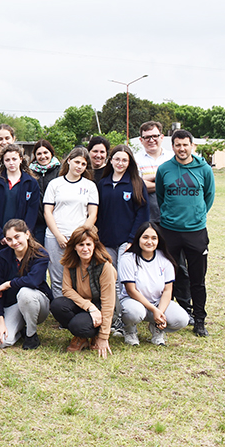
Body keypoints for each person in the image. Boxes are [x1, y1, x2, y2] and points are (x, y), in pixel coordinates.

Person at [155, 129, 215, 337]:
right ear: (172, 147)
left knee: (198, 279)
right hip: (170, 231)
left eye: (185, 145)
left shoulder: (204, 168)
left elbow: (209, 196)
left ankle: (199, 320)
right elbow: (161, 198)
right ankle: (167, 317)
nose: (182, 148)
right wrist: (172, 217)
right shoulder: (164, 169)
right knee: (170, 276)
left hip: (196, 232)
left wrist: (196, 216)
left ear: (192, 146)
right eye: (178, 145)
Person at [95, 144, 149, 336]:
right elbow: (97, 214)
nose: (120, 163)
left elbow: (142, 214)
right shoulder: (103, 184)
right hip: (105, 242)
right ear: (111, 161)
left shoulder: (136, 183)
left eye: (124, 160)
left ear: (130, 162)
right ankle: (114, 319)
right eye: (117, 159)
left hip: (127, 243)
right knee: (110, 281)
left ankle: (128, 321)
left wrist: (131, 240)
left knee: (125, 283)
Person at [49, 226, 116, 358]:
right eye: (80, 245)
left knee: (78, 325)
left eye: (88, 244)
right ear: (74, 247)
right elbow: (67, 290)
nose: (85, 249)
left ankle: (94, 334)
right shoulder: (71, 262)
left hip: (102, 306)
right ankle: (81, 338)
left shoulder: (104, 266)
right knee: (57, 305)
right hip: (85, 305)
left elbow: (108, 303)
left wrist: (104, 336)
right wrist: (90, 307)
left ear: (94, 246)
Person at [119, 222, 189, 346]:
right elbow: (131, 290)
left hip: (157, 302)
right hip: (133, 301)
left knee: (182, 319)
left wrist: (159, 312)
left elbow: (167, 291)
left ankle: (157, 328)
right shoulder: (128, 258)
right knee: (134, 313)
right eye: (145, 237)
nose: (149, 242)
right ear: (138, 238)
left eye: (154, 238)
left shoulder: (165, 259)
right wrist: (154, 310)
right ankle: (129, 331)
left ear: (159, 241)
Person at [43, 147, 99, 299]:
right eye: (77, 162)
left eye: (83, 164)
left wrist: (80, 236)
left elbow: (92, 214)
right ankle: (60, 308)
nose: (79, 166)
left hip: (79, 238)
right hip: (55, 237)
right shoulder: (55, 184)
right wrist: (59, 236)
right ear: (69, 161)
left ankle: (77, 306)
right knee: (57, 276)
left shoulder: (90, 186)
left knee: (79, 274)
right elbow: (48, 212)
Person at [0, 219, 52, 350]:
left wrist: (9, 284)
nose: (14, 242)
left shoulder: (41, 254)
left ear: (27, 234)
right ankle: (19, 330)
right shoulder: (1, 257)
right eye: (9, 239)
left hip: (37, 303)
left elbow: (33, 281)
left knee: (25, 293)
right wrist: (0, 321)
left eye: (17, 237)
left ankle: (31, 335)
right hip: (12, 305)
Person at [0, 144, 40, 258]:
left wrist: (22, 235)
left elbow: (32, 212)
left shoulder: (31, 183)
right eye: (7, 160)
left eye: (14, 159)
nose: (11, 162)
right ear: (3, 162)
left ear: (20, 159)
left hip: (21, 241)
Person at [136, 121, 173, 223]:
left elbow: (178, 183)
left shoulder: (172, 158)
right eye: (147, 137)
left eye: (155, 136)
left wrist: (147, 179)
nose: (151, 140)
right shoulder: (135, 160)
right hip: (146, 216)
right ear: (141, 140)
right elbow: (137, 186)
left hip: (171, 215)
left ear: (162, 137)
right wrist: (164, 182)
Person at [29, 139, 61, 245]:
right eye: (39, 153)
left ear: (51, 153)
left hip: (57, 222)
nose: (43, 156)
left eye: (45, 152)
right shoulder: (29, 172)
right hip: (37, 223)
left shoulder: (60, 171)